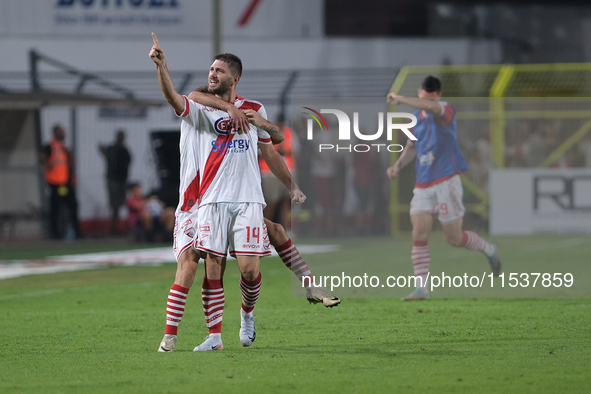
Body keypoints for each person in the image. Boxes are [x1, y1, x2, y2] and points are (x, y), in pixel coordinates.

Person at [150, 33, 313, 353]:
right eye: (210, 69)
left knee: (265, 243)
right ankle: (174, 336)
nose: (212, 74)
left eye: (219, 71)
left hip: (231, 199)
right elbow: (178, 96)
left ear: (234, 78)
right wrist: (162, 66)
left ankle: (245, 317)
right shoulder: (198, 104)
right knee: (189, 265)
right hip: (194, 202)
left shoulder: (251, 110)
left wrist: (291, 185)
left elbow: (273, 146)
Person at [386, 75, 502, 301]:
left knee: (454, 238)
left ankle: (489, 248)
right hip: (423, 181)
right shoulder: (415, 117)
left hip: (446, 179)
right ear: (421, 92)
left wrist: (401, 98)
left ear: (437, 95)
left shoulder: (445, 108)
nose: (429, 100)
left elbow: (430, 107)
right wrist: (397, 166)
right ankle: (422, 288)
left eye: (432, 97)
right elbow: (412, 146)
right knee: (418, 232)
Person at [39, 124, 81, 239]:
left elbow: (70, 160)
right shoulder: (50, 145)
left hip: (66, 182)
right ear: (55, 133)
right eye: (60, 131)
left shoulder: (65, 146)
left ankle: (76, 232)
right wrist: (47, 164)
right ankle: (55, 233)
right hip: (55, 182)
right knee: (55, 208)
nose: (63, 133)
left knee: (73, 206)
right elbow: (42, 156)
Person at [258, 114, 299, 229]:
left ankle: (286, 230)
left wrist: (284, 151)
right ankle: (264, 229)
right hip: (270, 173)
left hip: (288, 171)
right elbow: (261, 152)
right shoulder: (267, 132)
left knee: (285, 202)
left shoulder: (289, 132)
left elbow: (296, 151)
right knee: (271, 202)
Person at [99, 130, 132, 235]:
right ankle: (114, 228)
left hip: (121, 180)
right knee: (115, 205)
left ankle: (122, 227)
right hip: (114, 180)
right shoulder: (112, 149)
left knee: (121, 204)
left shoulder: (124, 150)